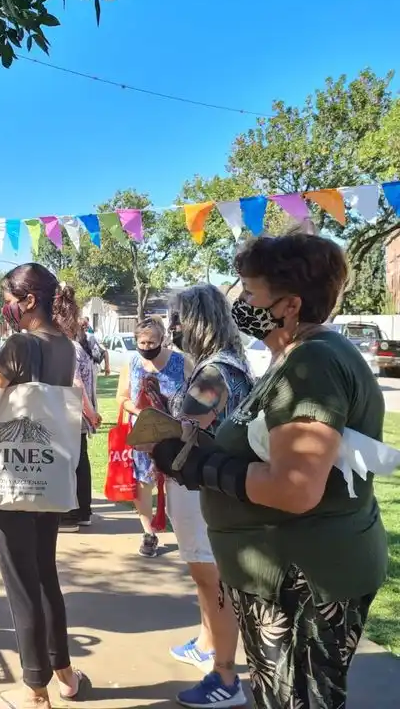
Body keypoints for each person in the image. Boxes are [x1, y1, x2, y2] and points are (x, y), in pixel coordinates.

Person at [147, 233, 388, 709]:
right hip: (285, 577)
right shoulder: (293, 358)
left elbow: (295, 488)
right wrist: (197, 454)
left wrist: (205, 467)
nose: (240, 303)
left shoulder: (314, 362)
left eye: (251, 294)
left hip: (303, 583)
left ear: (289, 305)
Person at [0, 263, 91, 709]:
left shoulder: (20, 343)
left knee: (20, 580)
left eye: (9, 297)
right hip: (48, 471)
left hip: (11, 476)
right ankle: (63, 672)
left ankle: (33, 688)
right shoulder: (66, 343)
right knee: (44, 573)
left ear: (26, 301)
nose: (7, 307)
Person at [162, 285, 252, 708]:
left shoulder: (215, 372)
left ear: (197, 320)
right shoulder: (221, 365)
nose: (172, 328)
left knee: (210, 577)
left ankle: (225, 676)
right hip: (205, 486)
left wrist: (156, 432)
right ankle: (206, 641)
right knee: (204, 576)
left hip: (205, 489)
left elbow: (188, 428)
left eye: (177, 318)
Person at [116, 316, 187, 558]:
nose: (147, 347)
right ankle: (149, 533)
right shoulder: (133, 363)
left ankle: (183, 531)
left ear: (162, 340)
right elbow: (122, 397)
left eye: (152, 342)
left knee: (177, 482)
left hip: (175, 433)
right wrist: (141, 412)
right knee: (143, 484)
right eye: (143, 342)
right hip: (144, 434)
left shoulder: (180, 362)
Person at [53, 285, 103, 532]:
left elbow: (76, 382)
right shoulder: (80, 344)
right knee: (80, 461)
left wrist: (90, 412)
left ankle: (71, 514)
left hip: (69, 412)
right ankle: (83, 511)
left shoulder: (68, 347)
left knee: (69, 463)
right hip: (78, 414)